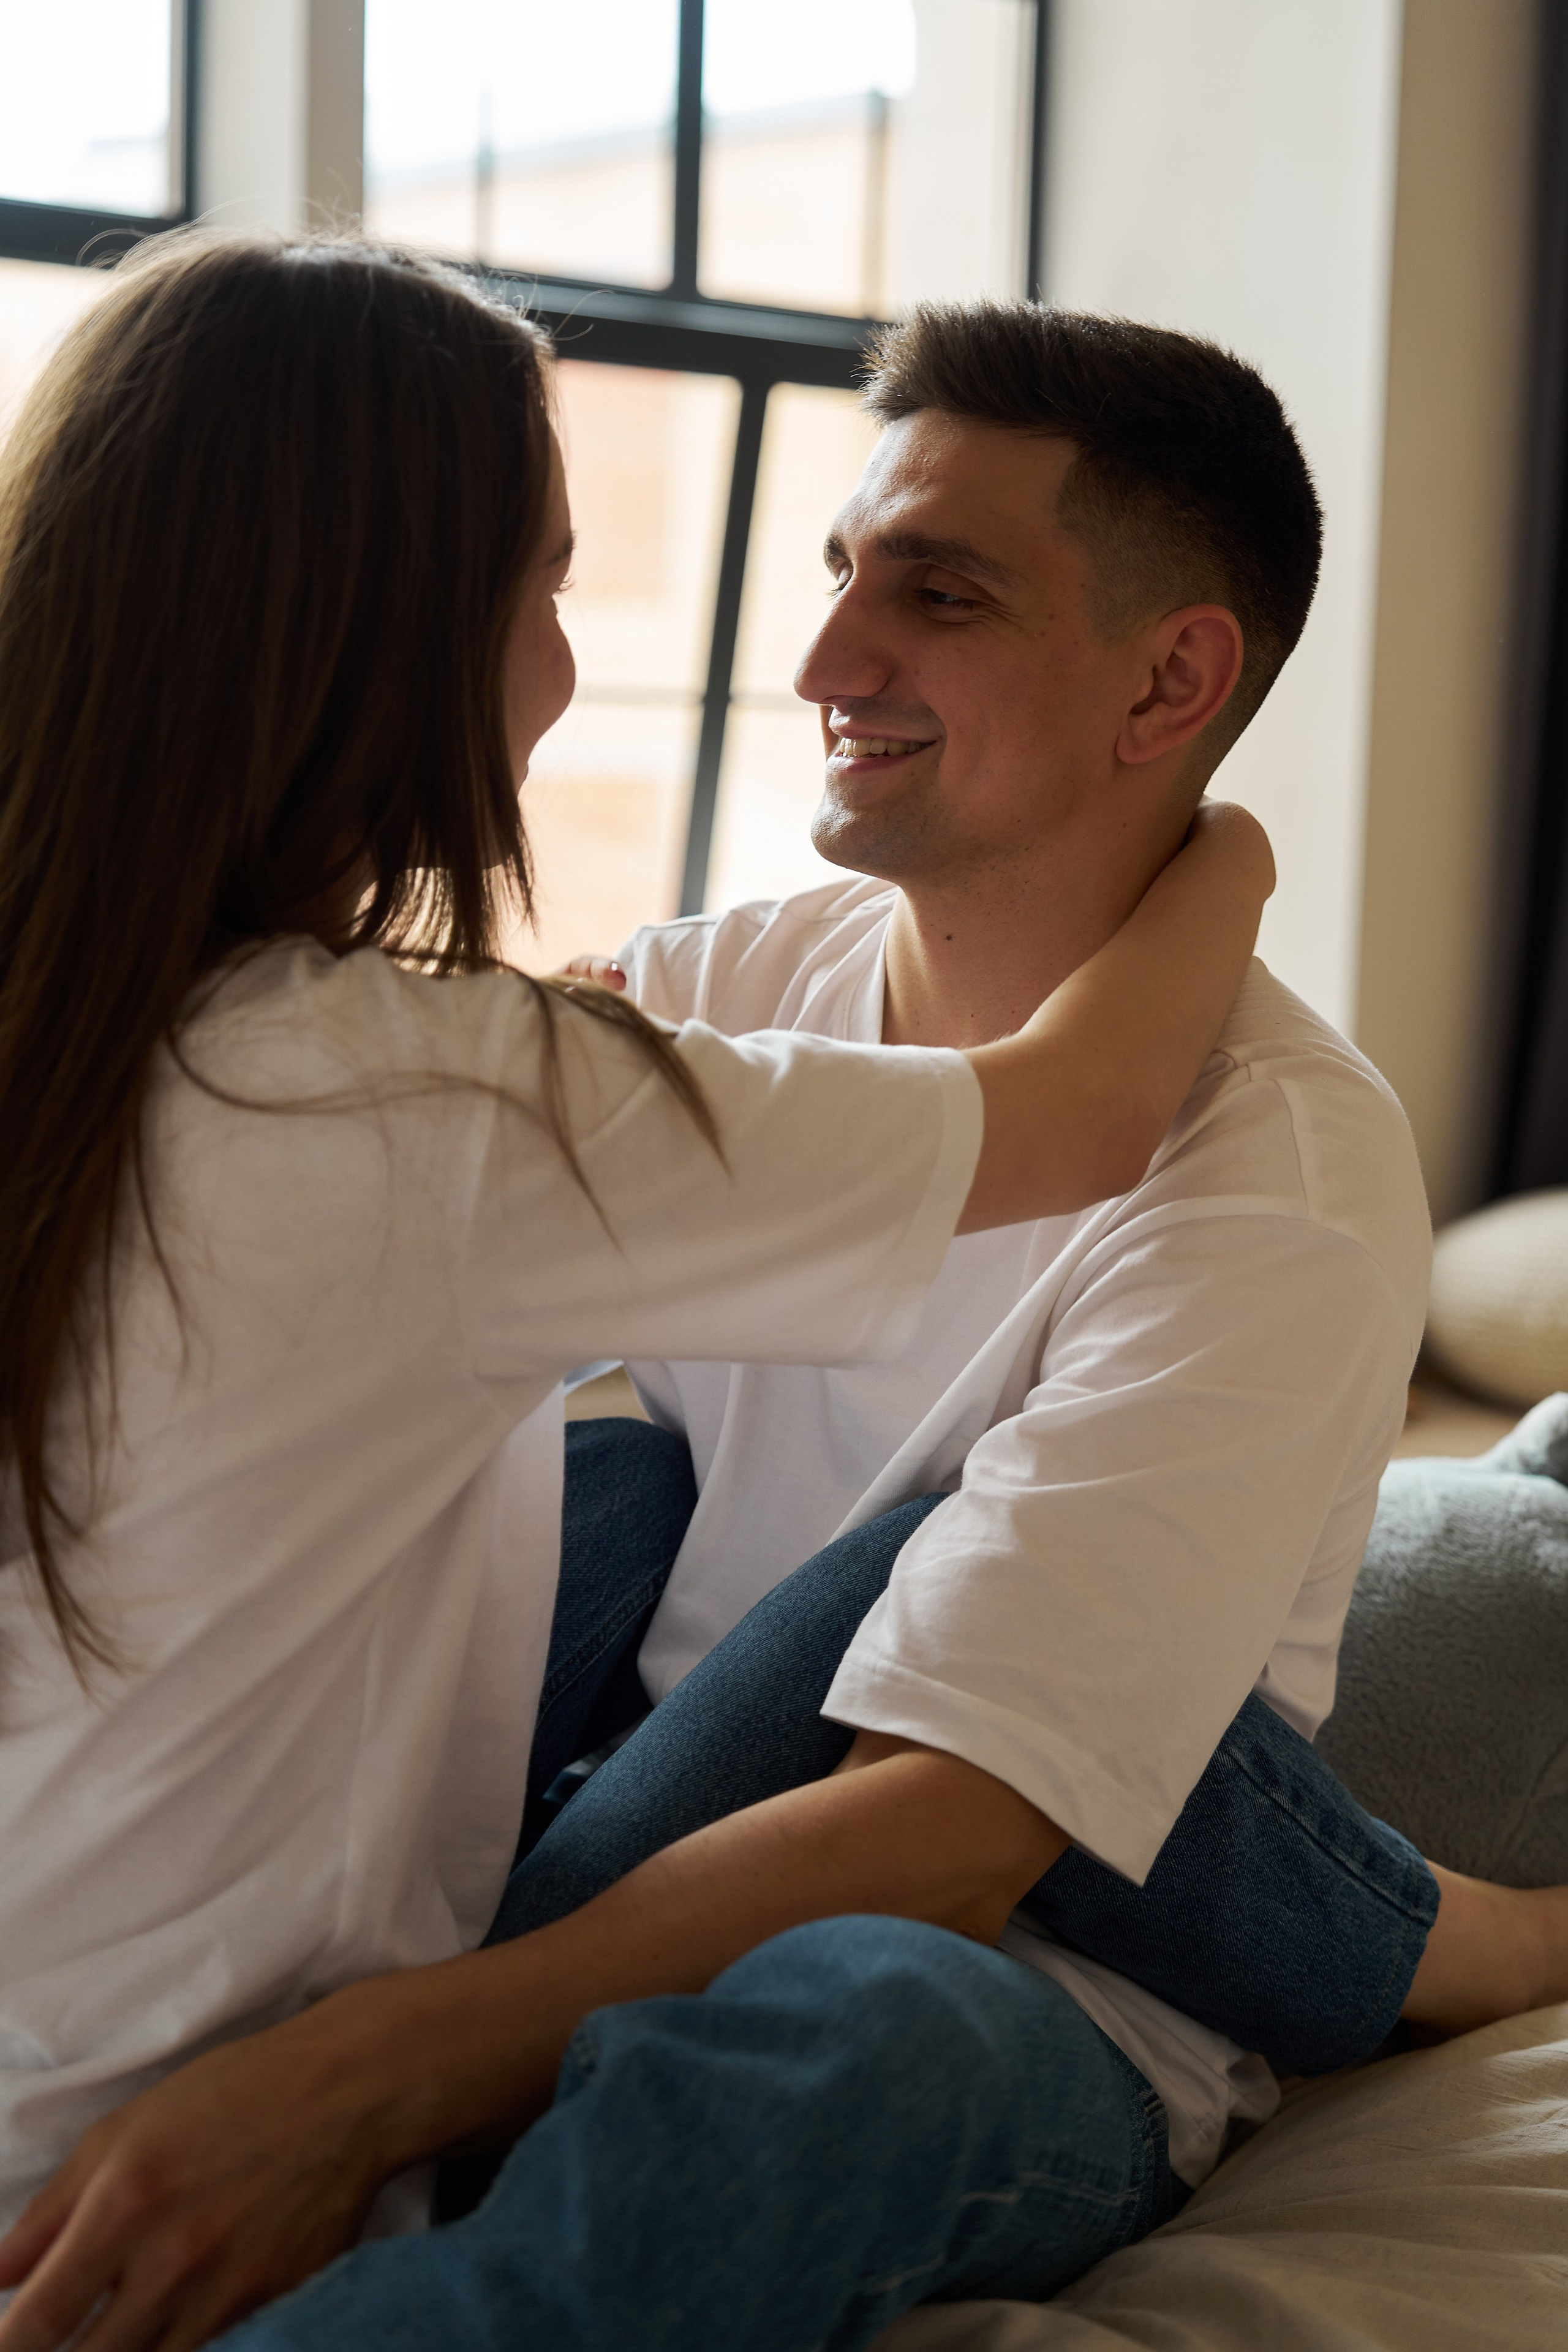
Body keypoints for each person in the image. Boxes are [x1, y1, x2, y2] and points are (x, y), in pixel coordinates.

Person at [6, 293, 1566, 2352]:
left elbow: (966, 1831)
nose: (822, 659)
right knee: (625, 1497)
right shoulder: (665, 1009)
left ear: (1173, 679)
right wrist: (1237, 857)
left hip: (1016, 1950)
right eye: (839, 571)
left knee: (860, 2020)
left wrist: (364, 2070)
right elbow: (1044, 1115)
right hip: (641, 1795)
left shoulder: (1276, 1167)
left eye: (938, 592)